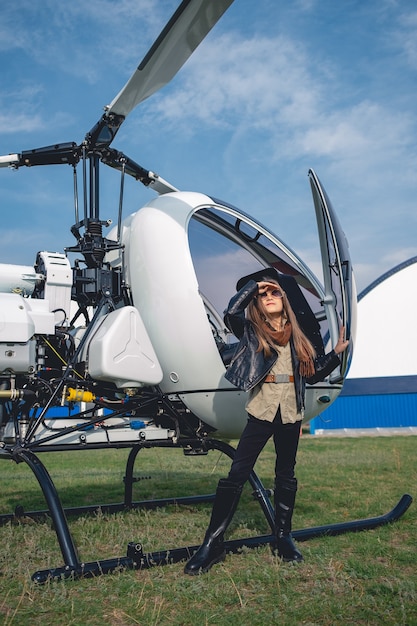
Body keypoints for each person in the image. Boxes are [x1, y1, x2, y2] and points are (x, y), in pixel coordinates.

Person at [184, 267, 349, 575]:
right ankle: (213, 543)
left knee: (286, 472)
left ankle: (283, 536)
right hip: (262, 411)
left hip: (290, 412)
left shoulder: (296, 334)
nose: (269, 297)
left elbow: (311, 374)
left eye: (275, 292)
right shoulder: (251, 331)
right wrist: (255, 284)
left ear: (285, 300)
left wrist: (336, 354)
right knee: (237, 473)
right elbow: (231, 311)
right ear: (256, 303)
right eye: (263, 295)